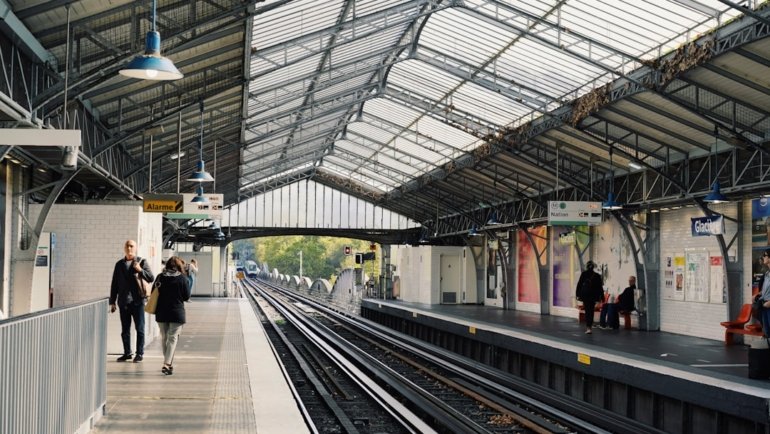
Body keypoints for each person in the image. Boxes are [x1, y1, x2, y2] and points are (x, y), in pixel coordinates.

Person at [110, 240, 154, 362]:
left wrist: (140, 270)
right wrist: (112, 301)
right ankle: (127, 353)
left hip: (137, 301)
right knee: (125, 330)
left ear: (135, 248)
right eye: (127, 246)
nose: (129, 248)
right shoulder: (119, 264)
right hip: (123, 301)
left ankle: (139, 353)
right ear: (124, 248)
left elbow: (151, 278)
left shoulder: (141, 262)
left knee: (139, 328)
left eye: (131, 246)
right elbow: (114, 284)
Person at [153, 256, 192, 375]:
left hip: (161, 313)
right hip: (176, 313)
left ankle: (167, 363)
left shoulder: (160, 277)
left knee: (165, 338)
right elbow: (186, 296)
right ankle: (167, 363)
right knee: (172, 338)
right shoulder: (182, 279)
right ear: (179, 266)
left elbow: (152, 293)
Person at [576, 260, 604, 334]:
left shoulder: (584, 274)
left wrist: (578, 294)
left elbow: (579, 284)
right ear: (593, 267)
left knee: (587, 311)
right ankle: (589, 327)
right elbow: (600, 287)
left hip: (585, 296)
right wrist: (602, 297)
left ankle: (588, 327)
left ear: (587, 266)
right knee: (591, 311)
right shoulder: (597, 276)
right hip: (593, 297)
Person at [755, 249, 770, 336]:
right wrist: (758, 294)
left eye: (765, 255)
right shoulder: (767, 274)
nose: (763, 257)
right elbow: (766, 289)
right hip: (764, 305)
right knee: (767, 332)